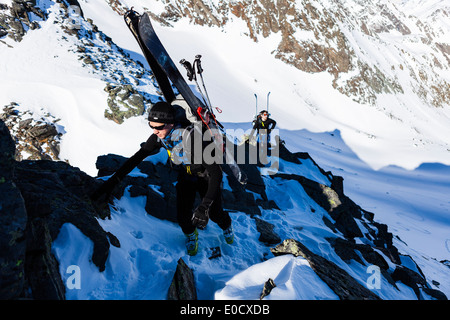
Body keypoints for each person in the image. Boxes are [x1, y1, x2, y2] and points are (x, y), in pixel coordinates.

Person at [91, 101, 234, 256]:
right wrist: (110, 184)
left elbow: (216, 173)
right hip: (186, 175)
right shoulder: (159, 137)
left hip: (206, 176)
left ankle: (226, 225)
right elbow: (136, 158)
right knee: (182, 216)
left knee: (215, 214)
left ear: (171, 124)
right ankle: (191, 235)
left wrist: (204, 206)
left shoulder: (193, 138)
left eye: (158, 127)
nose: (154, 131)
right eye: (151, 126)